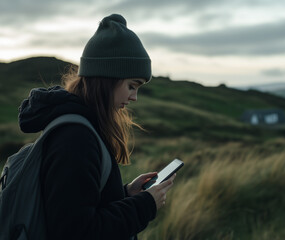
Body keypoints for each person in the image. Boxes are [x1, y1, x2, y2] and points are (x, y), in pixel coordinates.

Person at [18, 14, 175, 240]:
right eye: (132, 86)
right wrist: (144, 205)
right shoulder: (76, 139)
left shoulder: (84, 129)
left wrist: (126, 194)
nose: (134, 97)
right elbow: (77, 233)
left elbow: (80, 205)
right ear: (108, 78)